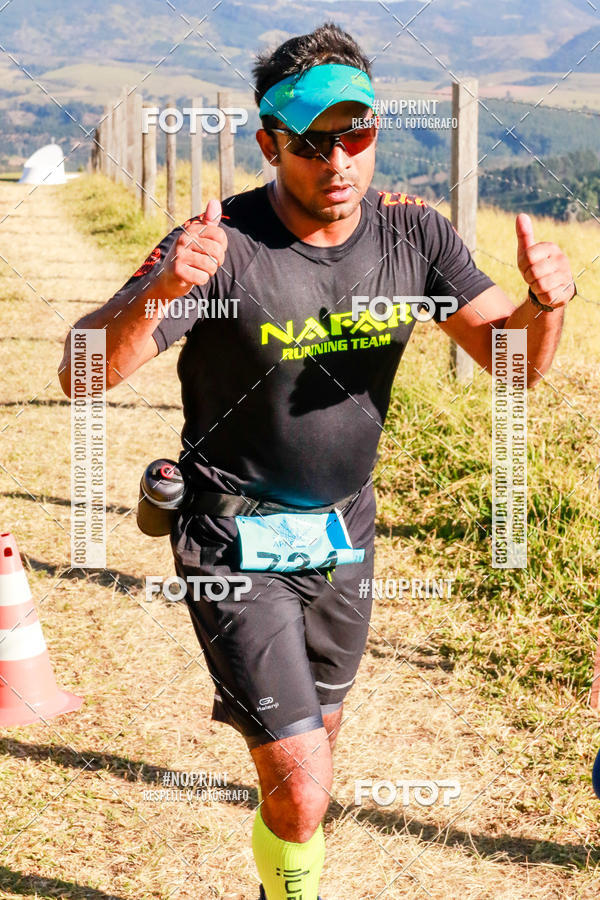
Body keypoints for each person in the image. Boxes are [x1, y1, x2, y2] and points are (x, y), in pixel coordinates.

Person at [58, 22, 576, 900]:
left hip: (344, 533)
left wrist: (544, 302)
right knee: (303, 788)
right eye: (310, 142)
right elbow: (78, 373)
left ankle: (281, 881)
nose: (339, 161)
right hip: (232, 536)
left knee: (316, 755)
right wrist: (164, 289)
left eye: (356, 135)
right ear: (270, 144)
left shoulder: (416, 235)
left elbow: (513, 362)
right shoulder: (219, 245)